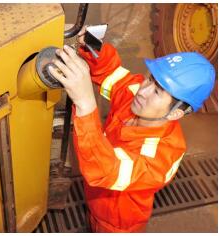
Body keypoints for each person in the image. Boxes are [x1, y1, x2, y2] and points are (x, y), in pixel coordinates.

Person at [48, 27, 215, 233]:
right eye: (151, 79)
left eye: (157, 91)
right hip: (95, 199)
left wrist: (86, 104)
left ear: (175, 113)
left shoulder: (161, 158)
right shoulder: (137, 93)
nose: (142, 91)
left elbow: (105, 170)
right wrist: (92, 45)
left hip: (119, 223)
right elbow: (113, 75)